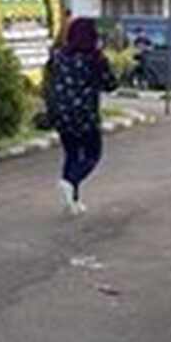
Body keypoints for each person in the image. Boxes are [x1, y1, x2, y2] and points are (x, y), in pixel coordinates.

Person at [48, 18, 118, 216]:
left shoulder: (58, 56)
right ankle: (70, 182)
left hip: (61, 114)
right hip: (85, 115)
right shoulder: (95, 59)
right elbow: (111, 84)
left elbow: (49, 82)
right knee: (92, 155)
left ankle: (72, 201)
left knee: (71, 154)